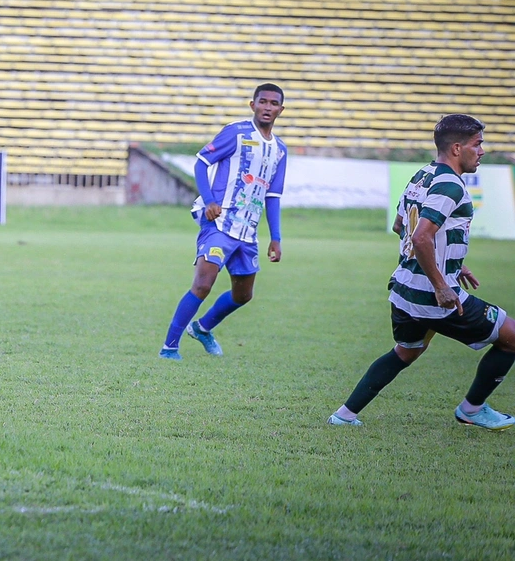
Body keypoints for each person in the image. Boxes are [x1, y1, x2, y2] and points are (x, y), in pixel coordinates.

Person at [329, 114, 515, 429]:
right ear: (457, 148)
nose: (482, 151)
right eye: (477, 144)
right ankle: (471, 409)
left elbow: (401, 225)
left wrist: (452, 259)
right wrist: (442, 284)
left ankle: (344, 415)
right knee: (512, 338)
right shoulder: (450, 184)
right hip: (433, 296)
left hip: (404, 289)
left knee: (406, 352)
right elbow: (420, 236)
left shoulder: (422, 175)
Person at [159, 83, 287, 360]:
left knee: (243, 295)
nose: (267, 107)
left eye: (273, 103)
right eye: (262, 101)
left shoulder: (279, 150)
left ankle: (203, 328)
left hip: (247, 229)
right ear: (252, 105)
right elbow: (201, 162)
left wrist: (275, 237)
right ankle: (169, 347)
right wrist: (209, 201)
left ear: (280, 109)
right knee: (204, 284)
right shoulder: (236, 133)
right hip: (218, 221)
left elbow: (273, 194)